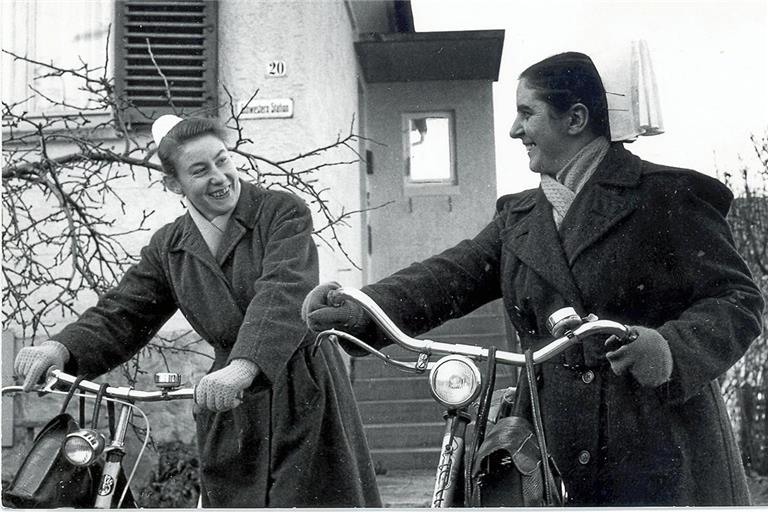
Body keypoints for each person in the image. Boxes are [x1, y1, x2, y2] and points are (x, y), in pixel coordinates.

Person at [302, 52, 765, 506]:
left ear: (575, 118)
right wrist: (361, 308)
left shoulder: (666, 196)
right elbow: (449, 276)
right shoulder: (520, 216)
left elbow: (737, 299)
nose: (514, 129)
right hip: (546, 442)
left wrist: (670, 349)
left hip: (655, 441)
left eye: (527, 113)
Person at [14, 116, 382, 508]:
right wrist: (61, 348)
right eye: (200, 170)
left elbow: (282, 290)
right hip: (228, 403)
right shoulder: (170, 246)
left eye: (223, 161)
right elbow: (123, 312)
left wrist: (244, 367)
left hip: (301, 385)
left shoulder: (280, 212)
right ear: (175, 184)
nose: (220, 177)